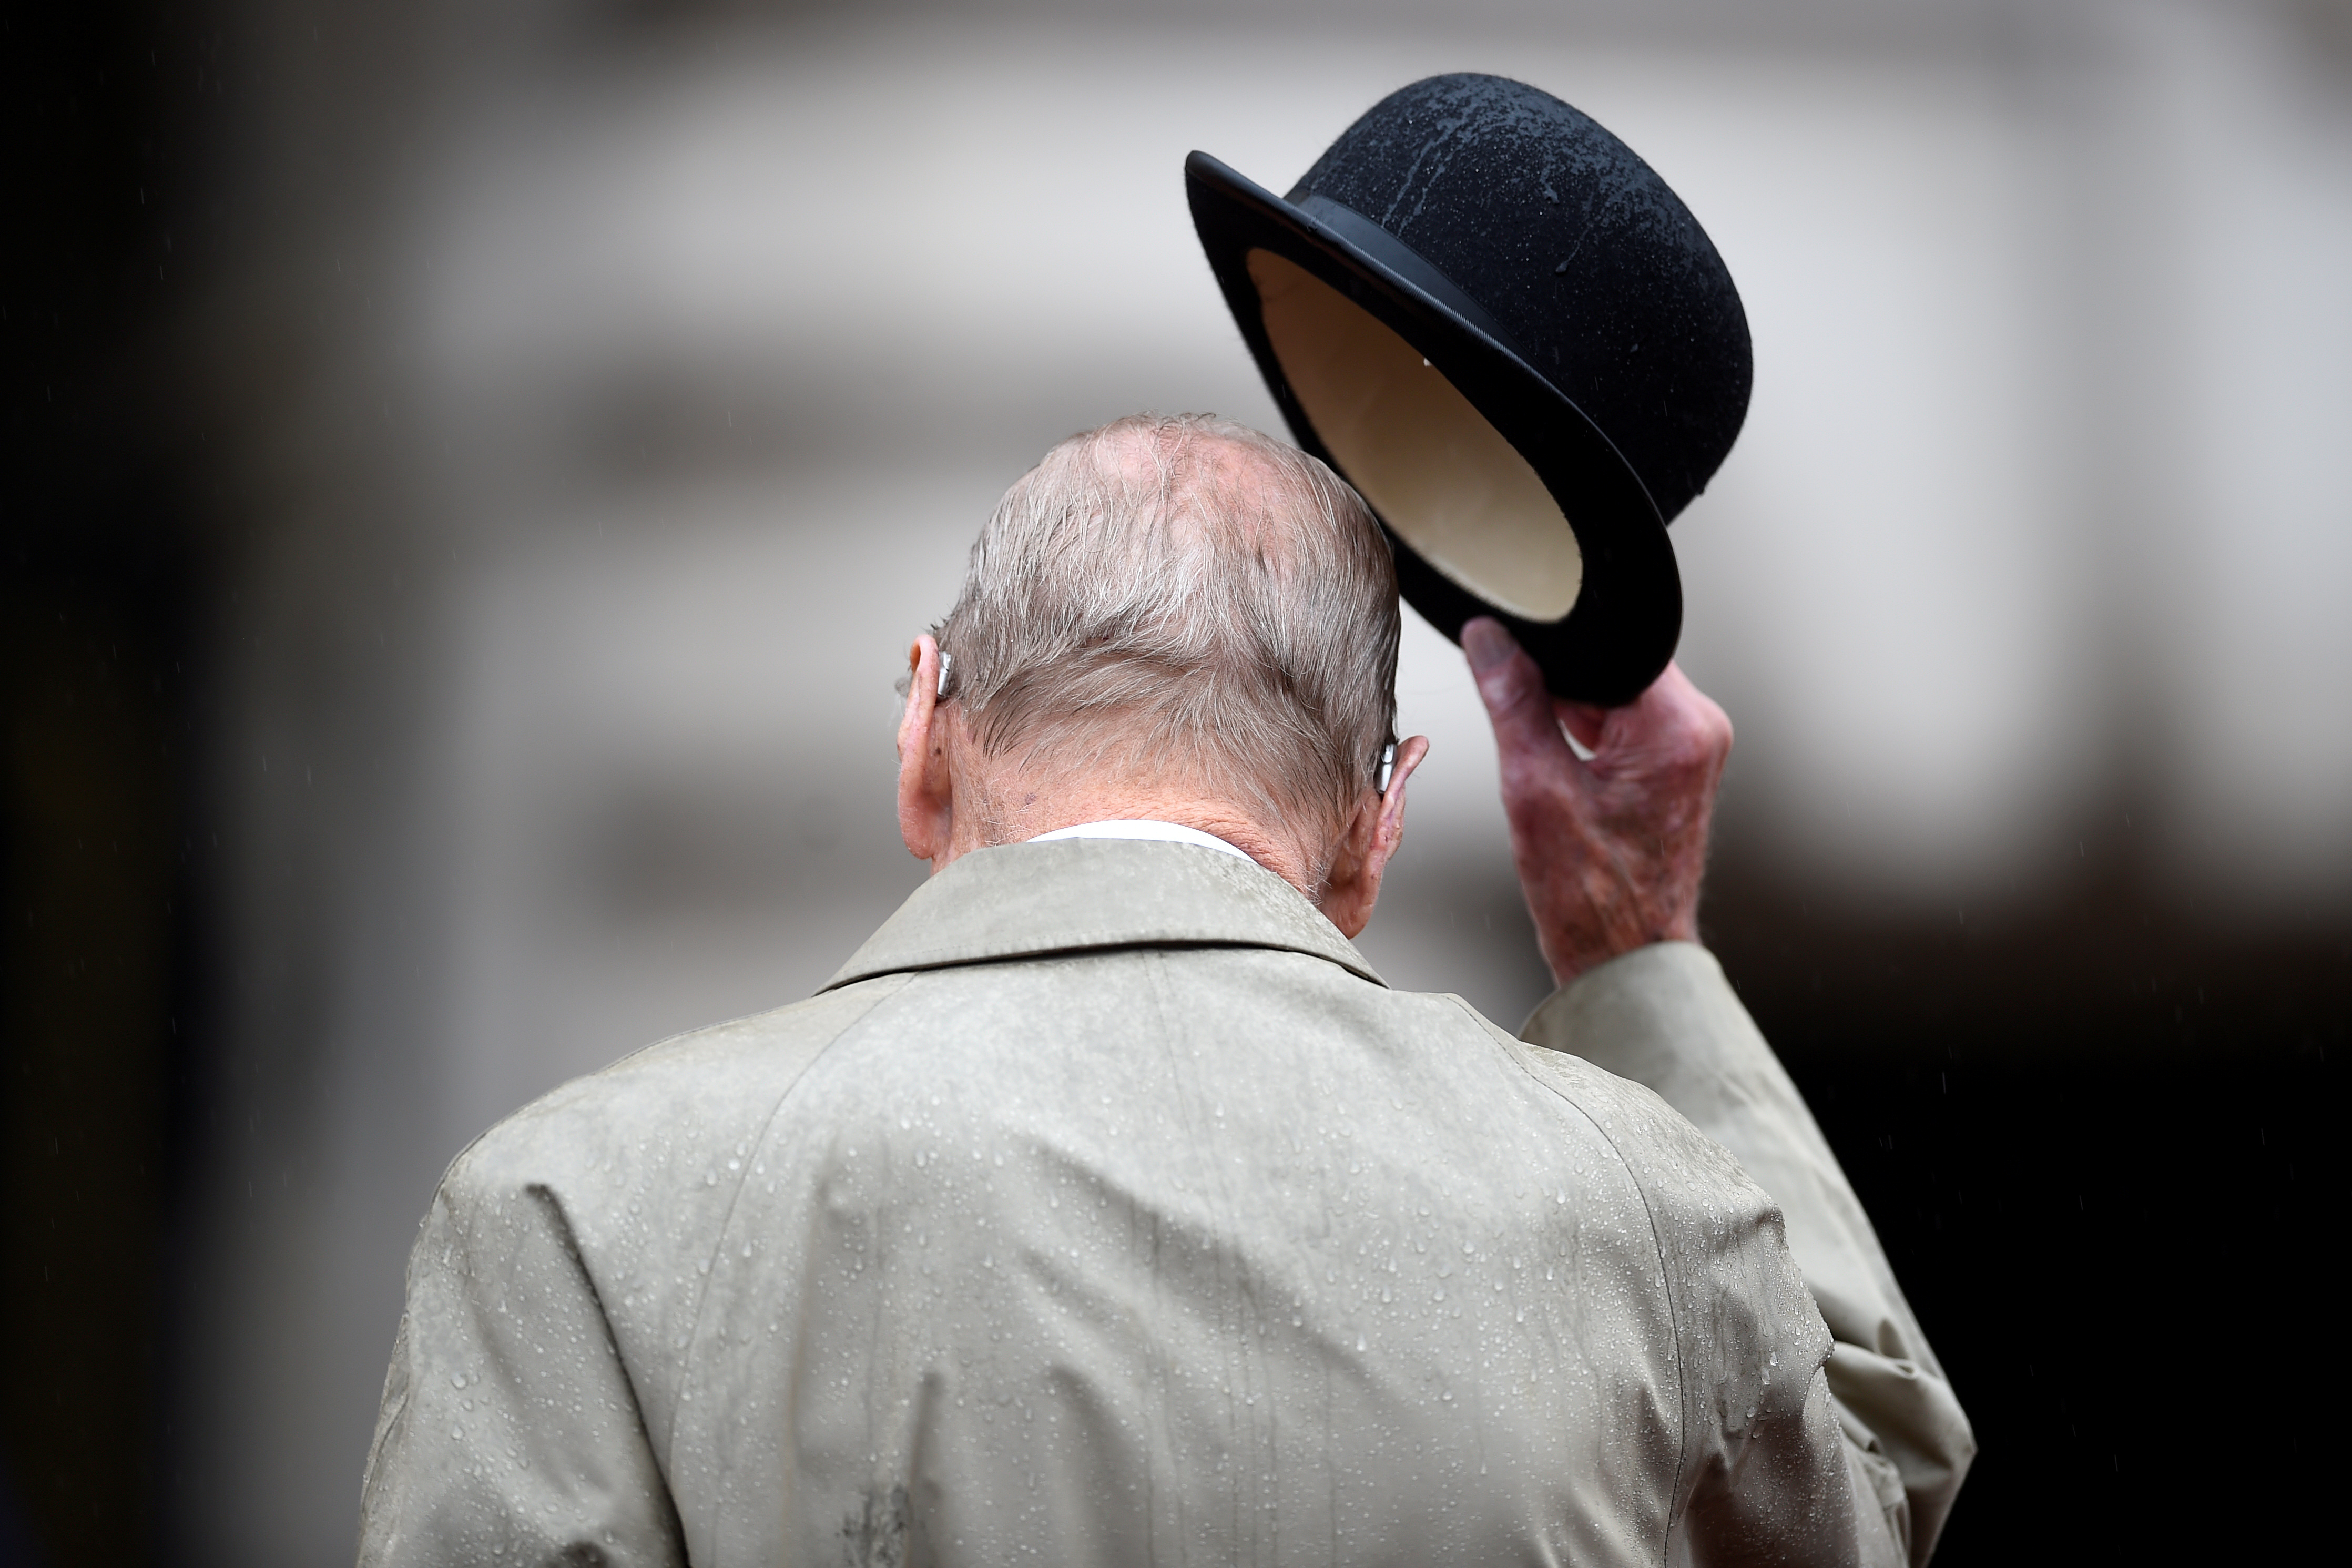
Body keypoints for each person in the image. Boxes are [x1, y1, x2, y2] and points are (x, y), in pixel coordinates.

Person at [356, 414, 1972, 1566]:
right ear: (1377, 821)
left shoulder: (573, 1216)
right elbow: (1871, 1498)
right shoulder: (1639, 1221)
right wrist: (1635, 952)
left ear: (925, 732)